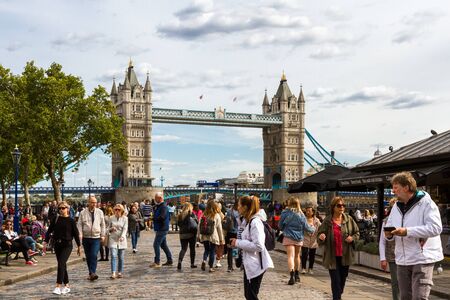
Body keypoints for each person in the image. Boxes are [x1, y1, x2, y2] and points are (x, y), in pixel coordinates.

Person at [385, 172, 443, 300]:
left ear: (406, 187)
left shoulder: (427, 203)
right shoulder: (396, 206)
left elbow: (436, 228)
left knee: (419, 297)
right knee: (405, 297)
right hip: (402, 259)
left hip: (422, 257)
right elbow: (390, 225)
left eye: (396, 187)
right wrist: (389, 235)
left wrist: (407, 231)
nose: (393, 191)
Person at [231, 195, 274, 300]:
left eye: (240, 205)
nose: (238, 208)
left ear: (245, 207)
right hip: (250, 263)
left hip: (256, 264)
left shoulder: (255, 222)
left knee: (251, 295)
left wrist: (238, 243)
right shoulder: (247, 221)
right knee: (249, 295)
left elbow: (259, 245)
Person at [318, 196, 359, 300]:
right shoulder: (327, 221)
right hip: (332, 256)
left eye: (343, 205)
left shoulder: (348, 219)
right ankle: (337, 297)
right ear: (333, 207)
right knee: (335, 280)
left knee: (343, 278)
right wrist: (321, 237)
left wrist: (352, 238)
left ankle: (338, 294)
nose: (341, 207)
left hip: (345, 255)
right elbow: (319, 234)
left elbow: (357, 233)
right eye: (339, 205)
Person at [44, 201, 81, 295]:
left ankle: (58, 286)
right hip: (57, 245)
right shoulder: (55, 219)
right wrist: (45, 241)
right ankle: (67, 285)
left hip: (67, 245)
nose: (61, 210)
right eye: (59, 208)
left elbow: (76, 234)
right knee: (62, 265)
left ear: (67, 209)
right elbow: (49, 231)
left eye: (63, 208)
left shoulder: (71, 221)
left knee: (61, 263)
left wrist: (79, 246)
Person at [279, 197, 315, 285]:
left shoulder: (285, 213)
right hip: (298, 238)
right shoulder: (301, 214)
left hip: (288, 237)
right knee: (297, 256)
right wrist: (313, 229)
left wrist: (284, 227)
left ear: (289, 203)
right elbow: (307, 227)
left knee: (290, 256)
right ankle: (297, 275)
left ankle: (291, 276)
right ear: (298, 204)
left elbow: (280, 225)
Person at [77, 196, 106, 281]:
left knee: (94, 255)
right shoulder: (83, 212)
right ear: (88, 203)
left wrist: (103, 235)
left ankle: (93, 272)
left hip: (96, 237)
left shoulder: (100, 212)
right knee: (88, 256)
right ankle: (91, 273)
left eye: (95, 202)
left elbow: (103, 224)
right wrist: (80, 235)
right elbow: (79, 225)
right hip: (86, 237)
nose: (94, 204)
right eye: (92, 202)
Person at [379, 198, 400, 300]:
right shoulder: (386, 221)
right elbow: (382, 241)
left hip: (407, 256)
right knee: (395, 282)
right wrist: (383, 258)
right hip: (392, 257)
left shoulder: (407, 219)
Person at [199, 200, 224, 273]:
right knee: (212, 251)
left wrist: (199, 236)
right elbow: (219, 228)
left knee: (206, 250)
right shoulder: (216, 215)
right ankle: (210, 267)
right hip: (213, 235)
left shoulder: (203, 215)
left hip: (204, 235)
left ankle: (204, 260)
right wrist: (221, 239)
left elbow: (199, 226)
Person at [150, 192, 173, 268]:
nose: (155, 199)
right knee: (163, 245)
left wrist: (153, 218)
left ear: (160, 198)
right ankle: (169, 260)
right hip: (161, 228)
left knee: (156, 244)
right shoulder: (160, 206)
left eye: (156, 198)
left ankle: (157, 262)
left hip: (162, 229)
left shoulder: (163, 206)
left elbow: (162, 217)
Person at [107, 204, 128, 279]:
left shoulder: (125, 218)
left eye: (118, 209)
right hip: (113, 238)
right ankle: (113, 273)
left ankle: (119, 272)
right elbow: (107, 229)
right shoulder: (111, 218)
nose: (117, 211)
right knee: (113, 255)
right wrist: (111, 229)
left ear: (122, 210)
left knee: (121, 257)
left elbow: (125, 229)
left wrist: (122, 236)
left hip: (121, 239)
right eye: (115, 209)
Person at [176, 202, 198, 270]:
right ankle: (192, 264)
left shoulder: (180, 215)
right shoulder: (191, 214)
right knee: (192, 249)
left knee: (183, 249)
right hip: (191, 234)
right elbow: (196, 223)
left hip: (182, 234)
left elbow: (178, 224)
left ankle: (179, 262)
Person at [301, 206, 321, 275]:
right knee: (304, 254)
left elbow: (320, 228)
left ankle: (310, 268)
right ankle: (303, 268)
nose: (308, 212)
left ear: (313, 212)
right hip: (305, 239)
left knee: (312, 256)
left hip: (313, 240)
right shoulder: (303, 219)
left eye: (309, 211)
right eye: (307, 211)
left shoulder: (316, 220)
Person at [225, 202, 240, 272]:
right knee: (235, 248)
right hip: (237, 232)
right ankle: (237, 262)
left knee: (230, 250)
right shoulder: (240, 212)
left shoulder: (229, 211)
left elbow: (227, 222)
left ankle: (230, 266)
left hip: (230, 232)